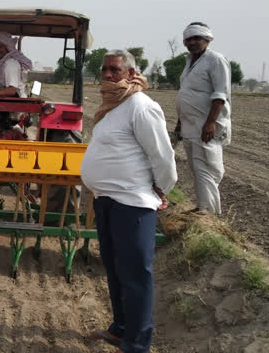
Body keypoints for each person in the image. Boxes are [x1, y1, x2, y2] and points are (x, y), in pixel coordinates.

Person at [81, 49, 177, 353]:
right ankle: (121, 329)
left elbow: (163, 157)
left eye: (115, 70)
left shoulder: (141, 106)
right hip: (107, 200)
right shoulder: (111, 107)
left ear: (131, 73)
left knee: (136, 273)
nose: (108, 75)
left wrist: (161, 190)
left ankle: (137, 344)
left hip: (132, 203)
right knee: (115, 268)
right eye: (105, 69)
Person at [175, 22, 231, 215]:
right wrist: (180, 124)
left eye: (197, 38)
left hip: (206, 126)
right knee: (197, 168)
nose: (192, 42)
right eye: (189, 39)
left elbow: (220, 94)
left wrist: (210, 123)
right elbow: (186, 93)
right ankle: (202, 207)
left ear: (207, 39)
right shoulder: (189, 61)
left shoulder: (215, 60)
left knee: (208, 168)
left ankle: (209, 213)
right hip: (190, 126)